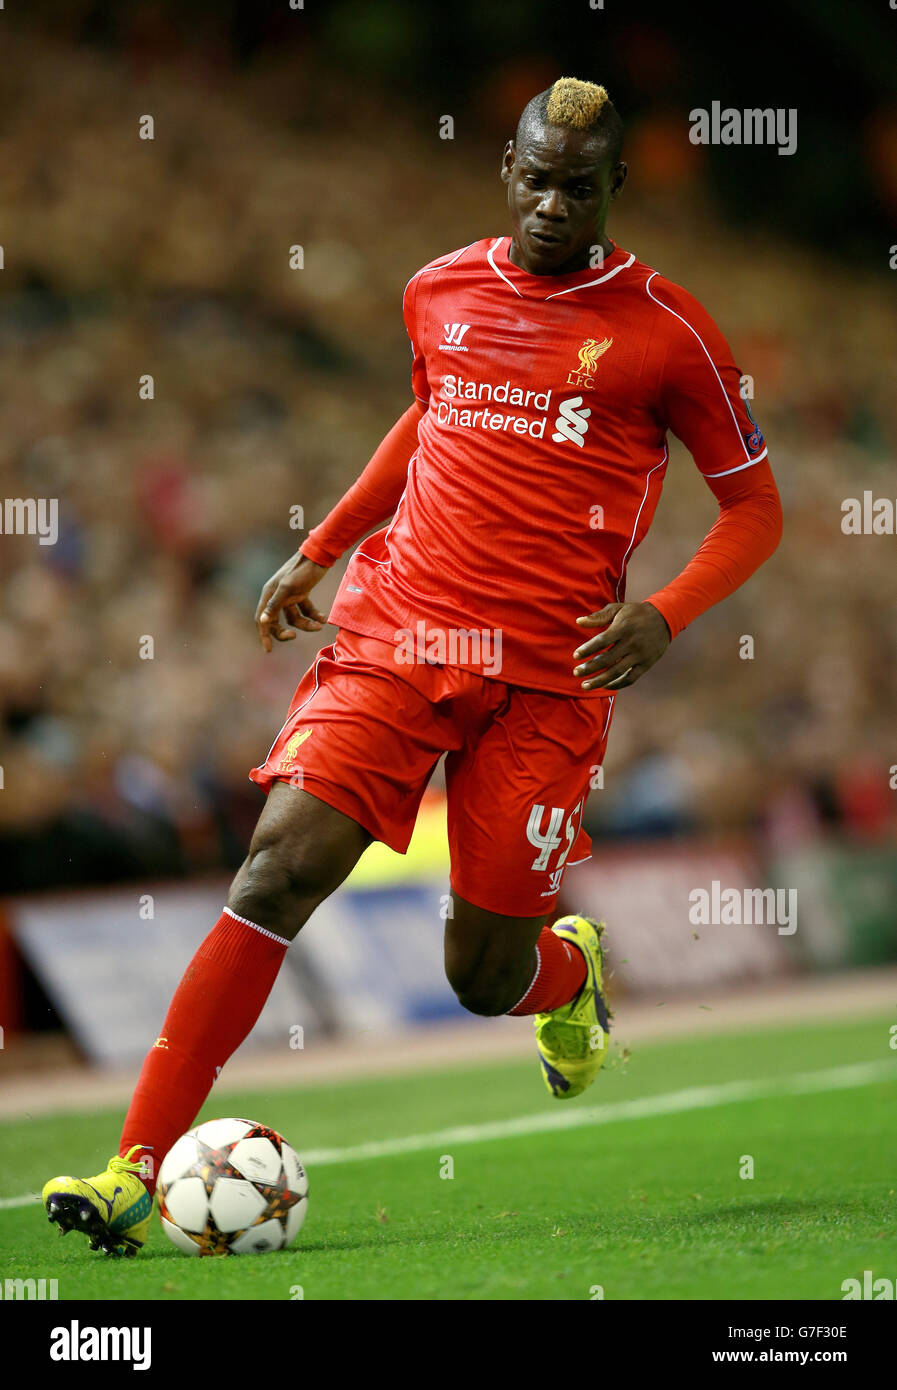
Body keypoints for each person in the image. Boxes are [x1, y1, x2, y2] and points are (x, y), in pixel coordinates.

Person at [42, 77, 782, 1256]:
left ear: (614, 191)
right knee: (276, 873)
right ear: (506, 167)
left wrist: (669, 615)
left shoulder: (667, 333)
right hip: (403, 636)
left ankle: (564, 974)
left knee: (481, 975)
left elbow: (754, 509)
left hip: (550, 679)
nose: (552, 205)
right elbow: (428, 417)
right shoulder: (439, 288)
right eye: (536, 179)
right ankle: (134, 1165)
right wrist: (323, 544)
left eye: (578, 189)